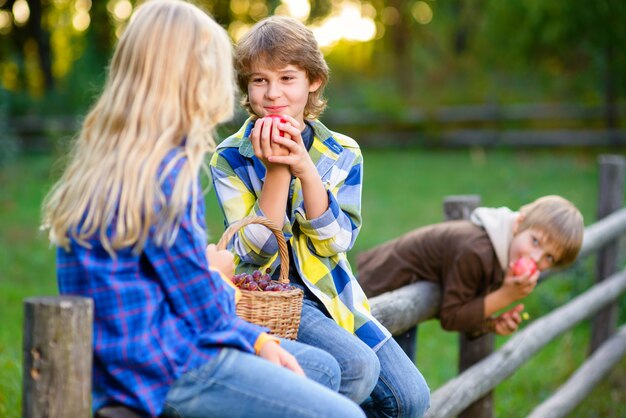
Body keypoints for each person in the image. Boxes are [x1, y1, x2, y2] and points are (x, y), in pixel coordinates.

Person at [41, 2, 366, 417]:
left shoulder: (107, 157)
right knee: (346, 413)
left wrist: (212, 276)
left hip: (122, 359)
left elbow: (164, 278)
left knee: (319, 368)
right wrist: (223, 282)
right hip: (166, 365)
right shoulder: (167, 170)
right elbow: (201, 307)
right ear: (192, 78)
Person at [210, 15, 430, 418]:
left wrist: (306, 170)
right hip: (270, 295)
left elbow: (336, 243)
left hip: (335, 294)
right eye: (259, 81)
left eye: (287, 79)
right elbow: (255, 252)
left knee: (411, 400)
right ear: (247, 87)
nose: (273, 93)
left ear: (313, 81)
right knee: (356, 370)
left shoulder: (342, 152)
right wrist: (276, 171)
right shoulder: (229, 157)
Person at [357, 195, 584, 337]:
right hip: (375, 292)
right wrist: (506, 296)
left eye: (550, 258)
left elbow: (468, 301)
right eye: (535, 241)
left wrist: (491, 324)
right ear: (519, 224)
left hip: (400, 300)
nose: (536, 258)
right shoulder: (478, 251)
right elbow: (452, 316)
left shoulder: (503, 250)